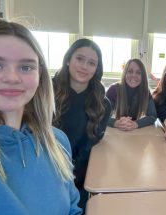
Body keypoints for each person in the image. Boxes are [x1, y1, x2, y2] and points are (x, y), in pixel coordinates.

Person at [0, 20, 81, 215]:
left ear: (39, 76)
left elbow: (72, 209)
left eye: (26, 67)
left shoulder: (57, 141)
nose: (12, 77)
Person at [53, 38, 111, 210]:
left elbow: (88, 147)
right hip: (44, 170)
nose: (84, 66)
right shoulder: (46, 92)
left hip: (79, 177)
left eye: (91, 63)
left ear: (96, 69)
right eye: (79, 59)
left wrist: (71, 177)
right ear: (68, 59)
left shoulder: (103, 104)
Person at [106, 58, 157, 131]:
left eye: (138, 72)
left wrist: (135, 124)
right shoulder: (114, 89)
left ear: (143, 76)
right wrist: (116, 123)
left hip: (134, 133)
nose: (134, 75)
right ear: (125, 73)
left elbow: (152, 116)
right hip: (116, 132)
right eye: (130, 71)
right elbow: (101, 116)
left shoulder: (145, 91)